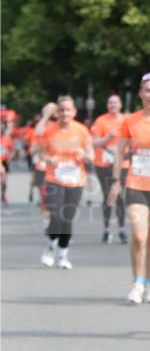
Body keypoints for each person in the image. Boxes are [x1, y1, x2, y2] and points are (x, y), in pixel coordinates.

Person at [107, 73, 150, 304]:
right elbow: (119, 154)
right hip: (137, 184)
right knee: (138, 236)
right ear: (140, 93)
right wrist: (115, 182)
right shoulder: (130, 121)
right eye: (147, 90)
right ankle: (136, 282)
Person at [36, 97, 94, 269]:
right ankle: (50, 247)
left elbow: (91, 156)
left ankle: (62, 253)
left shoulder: (82, 131)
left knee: (67, 219)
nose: (65, 113)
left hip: (75, 180)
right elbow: (40, 153)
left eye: (68, 110)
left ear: (74, 112)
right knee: (56, 216)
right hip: (54, 178)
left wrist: (83, 154)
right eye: (62, 110)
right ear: (58, 113)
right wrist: (49, 158)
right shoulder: (50, 131)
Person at [90, 93, 129, 243]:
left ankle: (121, 229)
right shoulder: (101, 121)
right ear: (107, 106)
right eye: (110, 103)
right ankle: (106, 229)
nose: (113, 106)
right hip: (103, 163)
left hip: (122, 163)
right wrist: (108, 137)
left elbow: (133, 141)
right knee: (107, 196)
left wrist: (126, 154)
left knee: (119, 195)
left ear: (120, 105)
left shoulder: (126, 120)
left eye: (115, 103)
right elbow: (94, 143)